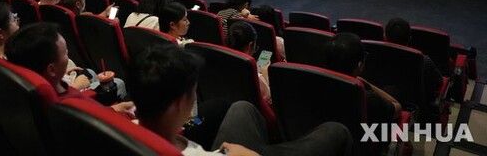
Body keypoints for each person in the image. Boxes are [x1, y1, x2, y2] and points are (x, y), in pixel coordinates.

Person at [129, 44, 352, 156]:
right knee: (336, 131)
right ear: (178, 104)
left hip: (221, 149)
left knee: (241, 107)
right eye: (193, 93)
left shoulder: (125, 129)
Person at [5, 23, 134, 117]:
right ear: (51, 70)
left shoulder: (25, 90)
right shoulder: (69, 107)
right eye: (65, 53)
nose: (68, 55)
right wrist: (113, 111)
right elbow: (97, 119)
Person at [326, 33, 401, 126]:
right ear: (359, 65)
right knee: (393, 92)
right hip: (365, 133)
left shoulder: (316, 83)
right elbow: (397, 108)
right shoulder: (368, 98)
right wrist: (365, 84)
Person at [385, 18, 443, 115]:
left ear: (385, 37)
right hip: (416, 113)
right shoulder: (423, 61)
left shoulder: (373, 56)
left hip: (385, 108)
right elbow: (439, 82)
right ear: (410, 39)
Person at [226, 21, 271, 103]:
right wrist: (265, 74)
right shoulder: (255, 76)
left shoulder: (220, 61)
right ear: (250, 45)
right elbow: (268, 98)